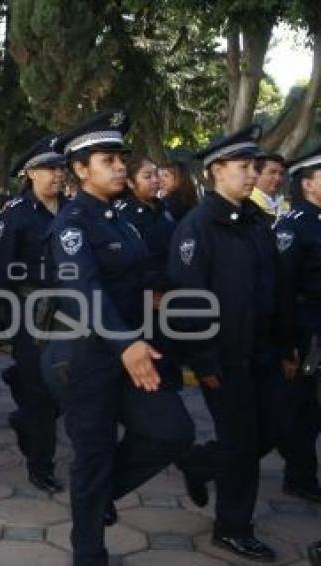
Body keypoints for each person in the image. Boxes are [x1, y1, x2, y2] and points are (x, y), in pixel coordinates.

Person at [48, 111, 194, 565]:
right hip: (87, 358)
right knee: (91, 456)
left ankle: (98, 496)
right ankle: (88, 551)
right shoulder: (71, 225)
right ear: (80, 169)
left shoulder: (121, 219)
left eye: (119, 159)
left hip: (133, 351)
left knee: (173, 431)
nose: (118, 167)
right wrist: (126, 343)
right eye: (107, 160)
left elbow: (138, 276)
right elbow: (83, 289)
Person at [169, 125, 284, 562]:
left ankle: (201, 464)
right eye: (244, 167)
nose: (253, 174)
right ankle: (233, 527)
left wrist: (284, 346)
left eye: (256, 166)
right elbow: (186, 301)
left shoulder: (256, 222)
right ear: (217, 170)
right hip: (223, 357)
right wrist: (203, 360)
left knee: (273, 430)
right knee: (240, 442)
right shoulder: (197, 227)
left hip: (262, 352)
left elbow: (272, 288)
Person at [0, 135, 67, 493]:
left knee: (64, 391)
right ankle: (41, 465)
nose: (57, 175)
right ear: (30, 173)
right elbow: (1, 270)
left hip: (70, 314)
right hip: (30, 316)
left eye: (60, 168)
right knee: (40, 392)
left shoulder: (73, 210)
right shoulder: (16, 215)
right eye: (49, 169)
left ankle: (25, 418)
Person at [272, 146, 321, 503]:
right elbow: (284, 289)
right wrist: (286, 344)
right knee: (301, 409)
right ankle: (299, 474)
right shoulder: (294, 227)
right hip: (307, 329)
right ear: (307, 184)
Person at [117, 155, 183, 390]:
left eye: (157, 175)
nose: (156, 181)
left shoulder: (163, 209)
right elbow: (129, 265)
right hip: (143, 308)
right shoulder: (123, 216)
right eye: (147, 176)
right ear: (131, 183)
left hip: (170, 303)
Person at [251, 152, 290, 223]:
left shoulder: (288, 207)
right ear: (257, 174)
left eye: (281, 174)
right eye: (272, 172)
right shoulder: (247, 203)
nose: (278, 178)